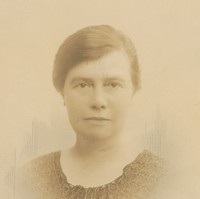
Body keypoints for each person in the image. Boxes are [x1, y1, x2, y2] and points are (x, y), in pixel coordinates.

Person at [16, 25, 167, 199]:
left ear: (133, 92)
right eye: (83, 85)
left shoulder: (166, 181)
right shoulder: (27, 180)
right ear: (62, 91)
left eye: (113, 84)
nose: (98, 101)